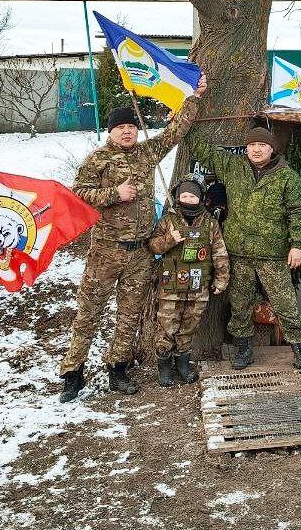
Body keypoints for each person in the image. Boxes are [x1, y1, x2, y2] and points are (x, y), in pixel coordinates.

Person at [58, 74, 207, 402]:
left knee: (129, 314)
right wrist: (115, 193)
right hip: (106, 251)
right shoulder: (98, 159)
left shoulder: (146, 152)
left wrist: (193, 97)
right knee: (89, 312)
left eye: (131, 126)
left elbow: (175, 132)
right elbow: (78, 193)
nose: (127, 131)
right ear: (110, 131)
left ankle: (118, 369)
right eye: (120, 127)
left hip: (140, 252)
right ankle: (73, 373)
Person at [186, 122, 301, 374]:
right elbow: (202, 149)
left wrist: (297, 245)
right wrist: (183, 119)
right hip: (238, 252)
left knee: (285, 304)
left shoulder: (287, 177)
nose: (256, 150)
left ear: (271, 149)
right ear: (246, 149)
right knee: (239, 304)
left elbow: (298, 213)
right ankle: (243, 349)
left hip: (273, 254)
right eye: (252, 145)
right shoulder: (234, 167)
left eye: (262, 145)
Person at [148, 177, 230, 386]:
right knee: (166, 327)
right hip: (170, 288)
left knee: (189, 327)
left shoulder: (210, 223)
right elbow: (153, 247)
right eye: (183, 195)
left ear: (200, 198)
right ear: (177, 197)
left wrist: (221, 280)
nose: (187, 199)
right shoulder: (168, 221)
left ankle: (183, 363)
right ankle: (164, 365)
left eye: (192, 195)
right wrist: (170, 239)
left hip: (198, 287)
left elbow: (219, 253)